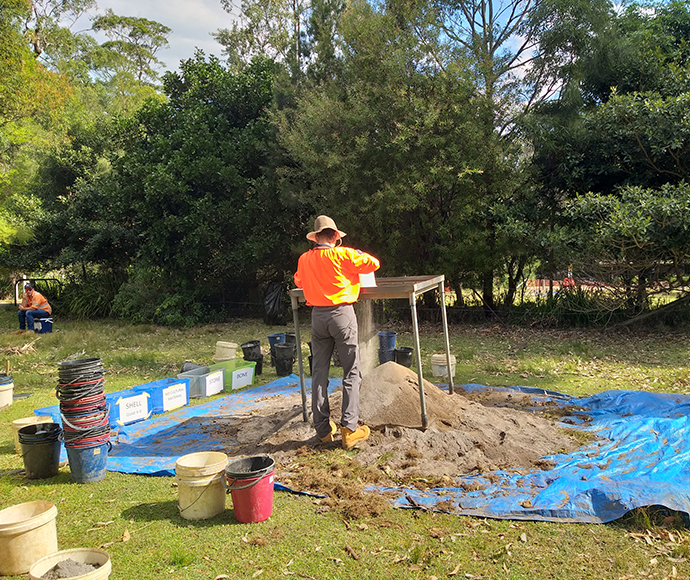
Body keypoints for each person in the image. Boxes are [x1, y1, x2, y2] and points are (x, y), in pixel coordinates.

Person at [294, 215, 380, 450]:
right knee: (351, 370)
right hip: (342, 314)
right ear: (334, 236)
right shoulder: (344, 255)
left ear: (316, 237)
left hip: (317, 318)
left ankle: (323, 430)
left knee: (319, 372)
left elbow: (299, 281)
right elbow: (373, 264)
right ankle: (349, 429)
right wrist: (358, 253)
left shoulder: (304, 258)